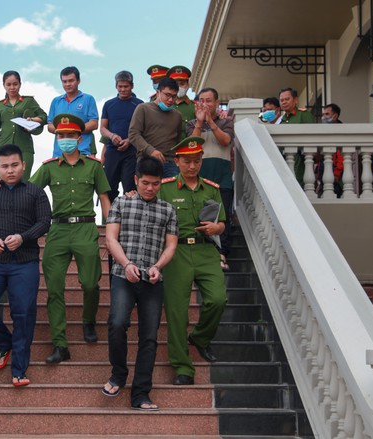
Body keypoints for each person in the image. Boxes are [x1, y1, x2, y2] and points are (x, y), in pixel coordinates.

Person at [29, 114, 111, 364]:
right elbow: (28, 192)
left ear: (79, 137)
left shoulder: (94, 166)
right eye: (61, 135)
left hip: (86, 228)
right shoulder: (49, 167)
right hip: (58, 230)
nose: (65, 139)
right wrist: (0, 183)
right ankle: (60, 344)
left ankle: (88, 320)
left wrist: (110, 233)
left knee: (90, 283)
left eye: (70, 135)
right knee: (54, 288)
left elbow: (105, 199)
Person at [0, 144, 52, 387]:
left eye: (15, 165)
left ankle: (19, 369)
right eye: (5, 166)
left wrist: (23, 238)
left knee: (23, 313)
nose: (10, 170)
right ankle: (4, 342)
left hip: (25, 263)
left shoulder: (36, 192)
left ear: (23, 165)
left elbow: (45, 221)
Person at [102, 157, 178, 411]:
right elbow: (111, 239)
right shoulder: (121, 203)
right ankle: (118, 374)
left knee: (149, 336)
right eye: (145, 183)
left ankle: (141, 393)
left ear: (160, 183)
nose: (150, 188)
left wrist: (158, 266)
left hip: (152, 280)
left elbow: (171, 245)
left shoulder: (168, 210)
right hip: (123, 275)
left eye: (155, 184)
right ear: (135, 180)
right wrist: (126, 264)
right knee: (117, 323)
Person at [159, 136, 227, 386]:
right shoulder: (165, 189)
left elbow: (222, 222)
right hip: (176, 252)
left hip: (206, 251)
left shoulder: (211, 189)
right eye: (187, 161)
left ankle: (200, 337)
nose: (192, 166)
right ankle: (182, 367)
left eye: (197, 161)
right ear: (177, 162)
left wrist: (217, 227)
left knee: (217, 299)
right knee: (177, 312)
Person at [187, 87, 235, 271]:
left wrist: (211, 122)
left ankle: (222, 254)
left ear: (216, 103)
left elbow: (225, 141)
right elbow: (191, 145)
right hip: (199, 177)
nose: (205, 104)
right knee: (199, 215)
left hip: (222, 177)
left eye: (208, 101)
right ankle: (203, 253)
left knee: (223, 217)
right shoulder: (192, 124)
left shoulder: (226, 122)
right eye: (202, 101)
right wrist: (200, 123)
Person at [0, 70, 47, 181]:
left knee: (23, 183)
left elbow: (44, 117)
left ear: (20, 84)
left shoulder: (28, 101)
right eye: (8, 84)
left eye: (15, 84)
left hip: (24, 147)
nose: (12, 87)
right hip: (2, 148)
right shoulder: (0, 105)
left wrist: (32, 120)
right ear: (4, 85)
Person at [100, 71, 144, 202]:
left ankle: (129, 213)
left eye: (126, 86)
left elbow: (144, 129)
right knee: (108, 186)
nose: (123, 89)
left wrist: (130, 140)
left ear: (132, 86)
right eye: (120, 86)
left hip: (132, 152)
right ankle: (109, 214)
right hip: (112, 151)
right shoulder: (109, 104)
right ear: (116, 86)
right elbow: (102, 128)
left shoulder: (140, 105)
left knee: (130, 187)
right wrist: (112, 136)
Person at [129, 76, 183, 178]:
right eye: (167, 95)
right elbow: (133, 134)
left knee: (173, 188)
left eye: (174, 96)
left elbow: (178, 140)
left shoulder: (177, 116)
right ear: (158, 92)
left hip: (170, 163)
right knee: (148, 188)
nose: (170, 100)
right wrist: (151, 151)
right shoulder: (143, 108)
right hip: (147, 160)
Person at [48, 66, 99, 157]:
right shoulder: (56, 101)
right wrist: (64, 131)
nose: (67, 84)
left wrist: (73, 129)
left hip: (83, 151)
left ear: (78, 81)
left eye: (71, 81)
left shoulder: (88, 99)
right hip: (59, 153)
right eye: (64, 81)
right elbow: (50, 125)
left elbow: (94, 123)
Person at [279, 87, 316, 184]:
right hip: (286, 159)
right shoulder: (283, 119)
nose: (284, 102)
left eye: (287, 99)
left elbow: (313, 136)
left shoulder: (303, 114)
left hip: (301, 159)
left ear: (295, 100)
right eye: (281, 100)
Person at [317, 103, 344, 197]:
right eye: (323, 114)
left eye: (327, 114)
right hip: (323, 169)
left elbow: (341, 155)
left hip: (334, 170)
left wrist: (337, 172)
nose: (323, 117)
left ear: (335, 116)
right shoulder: (324, 131)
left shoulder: (341, 131)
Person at [166, 65, 196, 141]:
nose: (178, 87)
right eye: (175, 84)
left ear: (188, 85)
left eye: (182, 84)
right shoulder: (162, 104)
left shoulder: (194, 107)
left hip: (186, 147)